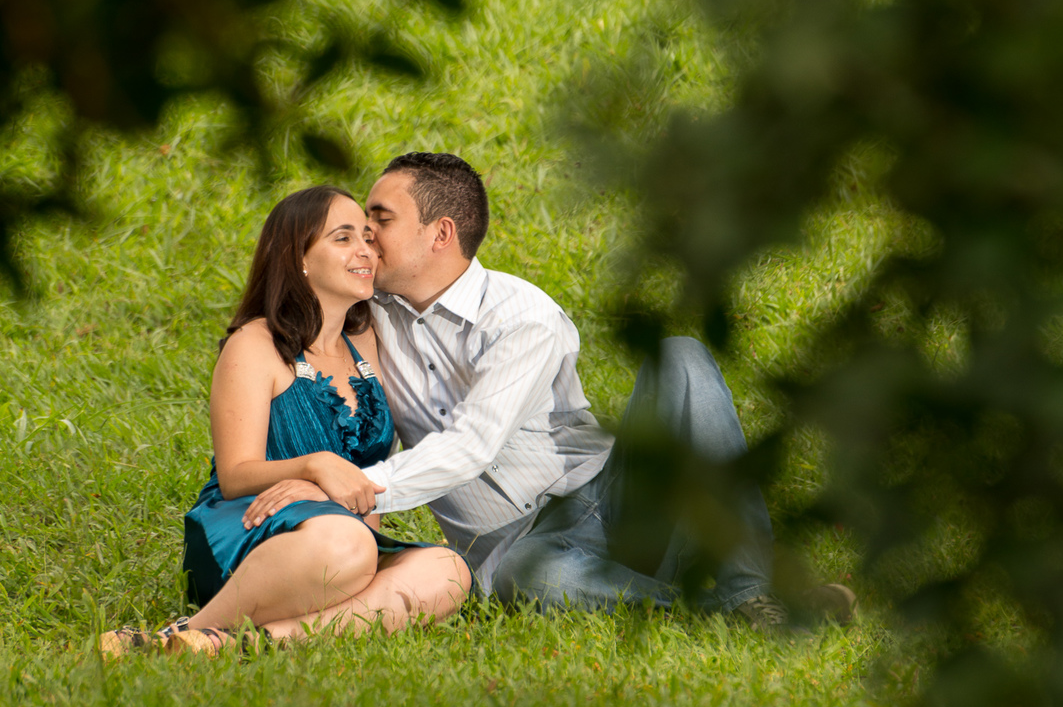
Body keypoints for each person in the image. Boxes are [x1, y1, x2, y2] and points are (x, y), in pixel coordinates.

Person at [341, 152, 855, 627]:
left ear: (441, 233)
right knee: (525, 576)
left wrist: (351, 488)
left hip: (616, 498)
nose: (365, 234)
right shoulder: (368, 318)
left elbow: (474, 443)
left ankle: (749, 589)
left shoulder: (521, 315)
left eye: (380, 219)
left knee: (680, 354)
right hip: (528, 549)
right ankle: (723, 612)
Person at [101, 186, 469, 658]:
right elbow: (235, 475)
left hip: (344, 535)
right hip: (252, 528)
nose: (365, 250)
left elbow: (363, 489)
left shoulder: (371, 345)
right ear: (298, 258)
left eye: (366, 236)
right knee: (347, 546)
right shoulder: (255, 344)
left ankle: (247, 643)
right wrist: (313, 465)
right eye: (342, 238)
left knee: (448, 568)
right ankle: (183, 630)